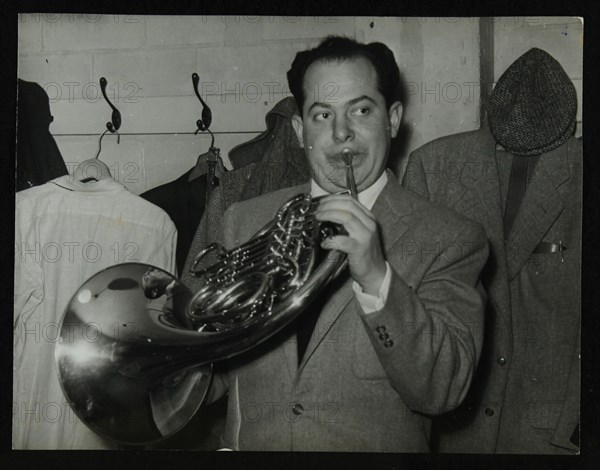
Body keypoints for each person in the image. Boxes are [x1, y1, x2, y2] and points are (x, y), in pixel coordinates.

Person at [202, 36, 489, 452]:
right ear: (301, 130)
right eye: (322, 115)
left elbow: (442, 391)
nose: (341, 133)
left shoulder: (450, 238)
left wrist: (377, 278)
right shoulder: (243, 220)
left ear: (392, 119)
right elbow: (218, 375)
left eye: (361, 110)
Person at [403, 48, 580, 454]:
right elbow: (407, 312)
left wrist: (573, 426)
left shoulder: (580, 172)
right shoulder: (434, 167)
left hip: (543, 431)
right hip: (448, 430)